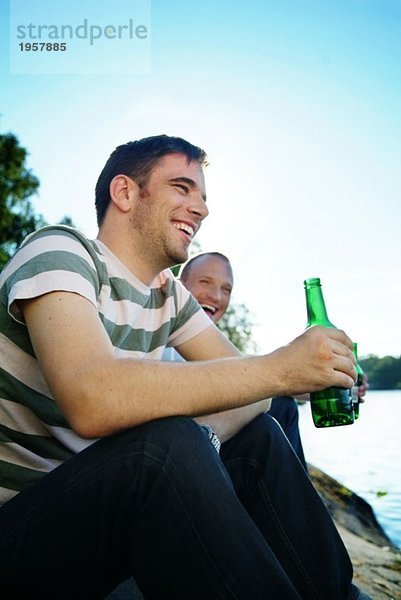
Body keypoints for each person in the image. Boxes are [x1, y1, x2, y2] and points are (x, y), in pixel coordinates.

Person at [0, 134, 369, 599]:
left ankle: (337, 594)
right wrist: (276, 372)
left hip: (96, 521)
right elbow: (91, 397)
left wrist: (314, 373)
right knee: (164, 447)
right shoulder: (61, 252)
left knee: (260, 436)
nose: (201, 209)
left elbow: (248, 382)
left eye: (203, 196)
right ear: (126, 193)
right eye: (182, 187)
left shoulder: (168, 295)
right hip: (19, 531)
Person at [171, 251, 307, 469]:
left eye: (226, 290)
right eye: (205, 282)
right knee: (268, 418)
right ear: (179, 284)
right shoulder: (164, 321)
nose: (216, 296)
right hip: (178, 441)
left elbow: (253, 374)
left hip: (203, 435)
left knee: (281, 407)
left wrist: (331, 384)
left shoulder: (210, 343)